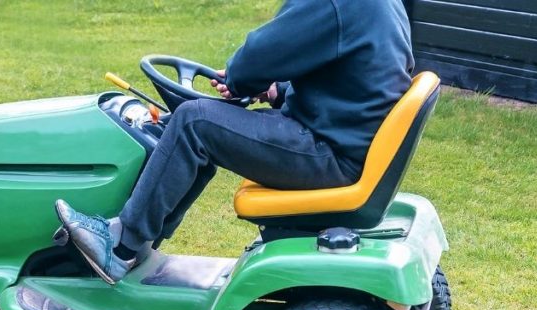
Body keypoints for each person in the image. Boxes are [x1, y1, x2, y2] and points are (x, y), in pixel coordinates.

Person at [56, 0, 415, 284]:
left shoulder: (334, 3)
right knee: (205, 127)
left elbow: (263, 52)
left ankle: (120, 247)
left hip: (328, 153)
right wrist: (278, 90)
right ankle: (142, 239)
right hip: (344, 139)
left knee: (194, 121)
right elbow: (351, 75)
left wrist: (243, 77)